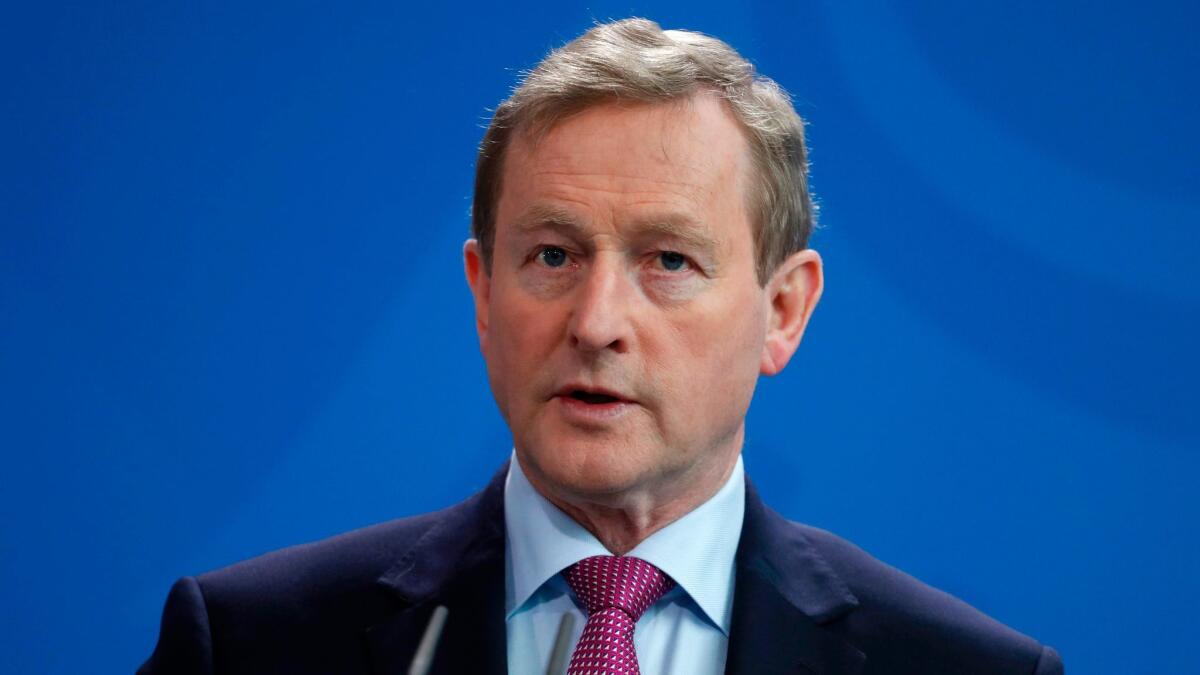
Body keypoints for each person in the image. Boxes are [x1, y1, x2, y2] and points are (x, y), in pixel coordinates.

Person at [139, 18, 1063, 675]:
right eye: (552, 255)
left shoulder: (959, 666)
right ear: (483, 292)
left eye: (667, 259)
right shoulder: (248, 644)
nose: (595, 321)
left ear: (783, 310)